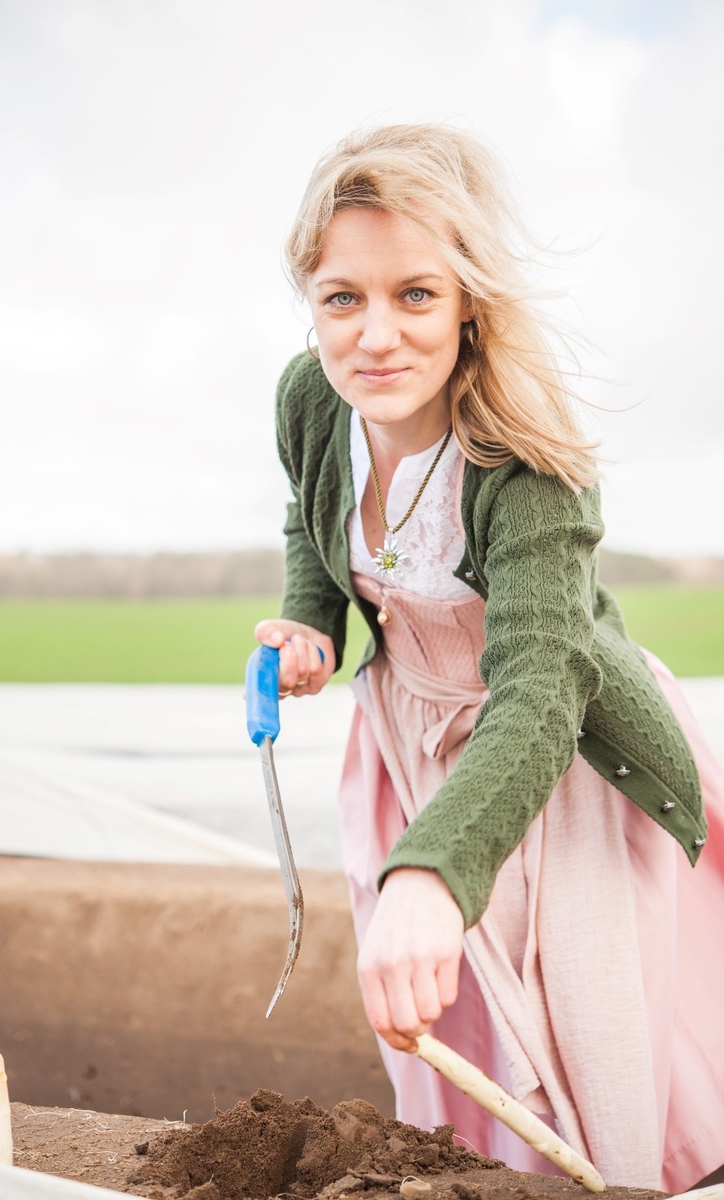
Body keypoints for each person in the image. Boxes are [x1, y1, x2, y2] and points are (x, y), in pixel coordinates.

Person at [253, 123, 724, 1191]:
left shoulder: (524, 454)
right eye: (341, 297)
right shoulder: (308, 399)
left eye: (415, 294)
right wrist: (312, 622)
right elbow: (309, 518)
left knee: (586, 1036)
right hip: (406, 748)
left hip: (555, 757)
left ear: (468, 299)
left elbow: (543, 688)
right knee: (459, 1031)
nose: (375, 336)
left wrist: (433, 871)